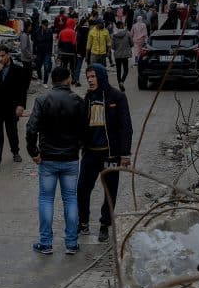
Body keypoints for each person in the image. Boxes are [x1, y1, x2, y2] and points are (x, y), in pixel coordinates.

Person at [25, 65, 86, 255]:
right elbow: (85, 130)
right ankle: (71, 243)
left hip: (48, 158)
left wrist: (33, 152)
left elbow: (31, 129)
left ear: (52, 80)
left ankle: (46, 243)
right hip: (70, 158)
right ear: (68, 79)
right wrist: (78, 146)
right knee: (70, 199)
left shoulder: (42, 100)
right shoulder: (77, 100)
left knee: (46, 199)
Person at [78, 64, 133, 244]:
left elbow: (126, 127)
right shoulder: (88, 98)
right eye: (88, 78)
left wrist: (125, 154)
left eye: (93, 76)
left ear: (101, 76)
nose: (91, 80)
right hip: (90, 153)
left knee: (110, 191)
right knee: (83, 189)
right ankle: (83, 222)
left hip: (110, 154)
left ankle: (104, 225)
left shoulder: (117, 97)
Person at [0, 44, 30, 169]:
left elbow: (22, 89)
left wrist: (21, 105)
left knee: (11, 131)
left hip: (11, 107)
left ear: (8, 55)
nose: (1, 58)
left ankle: (15, 151)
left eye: (3, 56)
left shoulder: (18, 70)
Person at [111, 20, 132, 91]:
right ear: (122, 26)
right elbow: (132, 43)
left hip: (117, 55)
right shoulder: (127, 33)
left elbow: (113, 47)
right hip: (125, 54)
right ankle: (122, 82)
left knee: (118, 70)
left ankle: (119, 83)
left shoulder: (114, 35)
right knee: (126, 70)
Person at [33, 19, 54, 85]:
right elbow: (34, 43)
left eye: (47, 25)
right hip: (39, 52)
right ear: (42, 25)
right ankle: (39, 78)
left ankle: (45, 82)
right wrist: (34, 53)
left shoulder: (49, 31)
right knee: (38, 66)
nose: (46, 27)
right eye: (45, 25)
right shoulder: (37, 32)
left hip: (47, 52)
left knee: (46, 67)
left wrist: (51, 52)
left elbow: (51, 42)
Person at [74, 16, 91, 86]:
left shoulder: (78, 31)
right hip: (88, 50)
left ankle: (77, 79)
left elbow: (77, 42)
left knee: (78, 66)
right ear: (85, 23)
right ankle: (91, 80)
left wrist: (77, 52)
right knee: (90, 67)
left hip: (80, 51)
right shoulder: (89, 31)